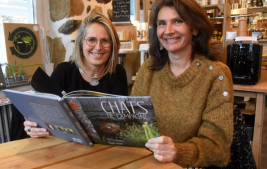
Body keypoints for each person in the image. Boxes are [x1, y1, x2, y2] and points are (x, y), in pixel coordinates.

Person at [131, 0, 233, 167]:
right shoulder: (148, 69)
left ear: (195, 28)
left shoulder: (216, 75)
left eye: (178, 21)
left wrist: (177, 152)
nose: (168, 31)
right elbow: (133, 124)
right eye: (162, 24)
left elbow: (217, 148)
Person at [12, 13, 128, 139]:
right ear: (81, 43)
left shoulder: (118, 73)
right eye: (91, 40)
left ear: (112, 45)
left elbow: (119, 119)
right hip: (67, 145)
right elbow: (44, 114)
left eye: (105, 40)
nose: (98, 47)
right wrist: (34, 126)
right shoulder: (64, 71)